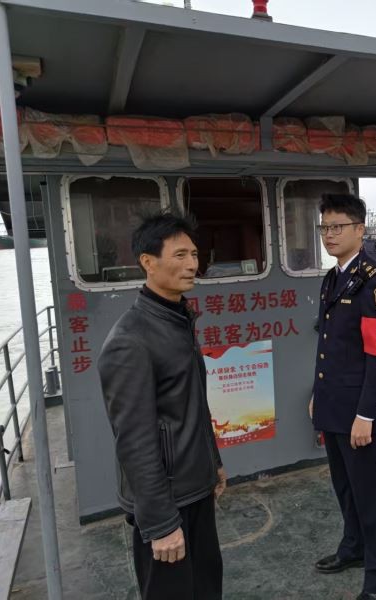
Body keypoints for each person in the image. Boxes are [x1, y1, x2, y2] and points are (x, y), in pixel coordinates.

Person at [98, 212, 227, 600]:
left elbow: (193, 407)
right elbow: (134, 440)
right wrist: (160, 524)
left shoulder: (177, 320)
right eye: (180, 255)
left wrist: (213, 462)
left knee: (206, 588)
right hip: (168, 503)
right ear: (148, 262)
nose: (192, 265)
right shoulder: (130, 340)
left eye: (194, 254)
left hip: (195, 487)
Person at [309, 193, 376, 600]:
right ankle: (354, 548)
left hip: (360, 414)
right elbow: (327, 346)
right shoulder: (333, 278)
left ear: (360, 229)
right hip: (334, 406)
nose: (329, 234)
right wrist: (318, 393)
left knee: (373, 496)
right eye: (324, 227)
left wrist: (367, 415)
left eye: (337, 227)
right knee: (345, 487)